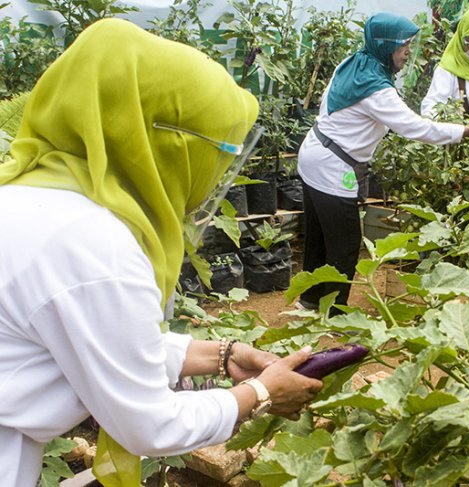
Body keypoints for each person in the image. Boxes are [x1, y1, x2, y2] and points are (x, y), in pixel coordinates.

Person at [0, 19, 322, 487]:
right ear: (171, 145)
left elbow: (87, 332)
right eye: (219, 153)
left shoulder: (28, 197)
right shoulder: (95, 246)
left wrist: (219, 354)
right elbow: (150, 422)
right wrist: (260, 392)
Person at [296, 12, 469, 312]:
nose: (407, 51)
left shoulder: (356, 61)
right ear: (385, 45)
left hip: (315, 152)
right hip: (333, 166)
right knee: (345, 244)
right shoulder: (376, 90)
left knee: (320, 236)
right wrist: (467, 131)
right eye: (403, 45)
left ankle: (310, 302)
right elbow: (415, 127)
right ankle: (334, 312)